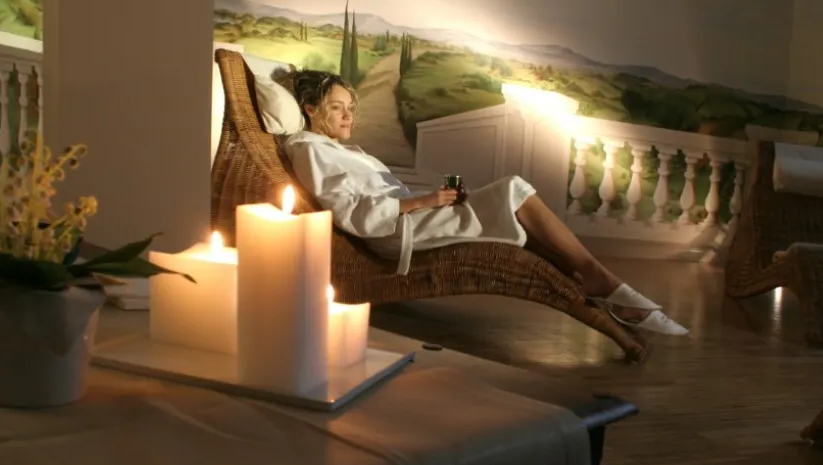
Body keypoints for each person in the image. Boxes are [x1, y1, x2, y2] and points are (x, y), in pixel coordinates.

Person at [278, 69, 688, 336]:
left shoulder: (332, 148)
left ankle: (593, 282)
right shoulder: (310, 150)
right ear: (310, 109)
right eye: (337, 108)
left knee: (517, 212)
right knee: (512, 190)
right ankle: (599, 279)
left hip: (413, 218)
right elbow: (353, 214)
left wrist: (433, 201)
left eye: (351, 108)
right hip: (398, 233)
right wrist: (424, 201)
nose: (349, 116)